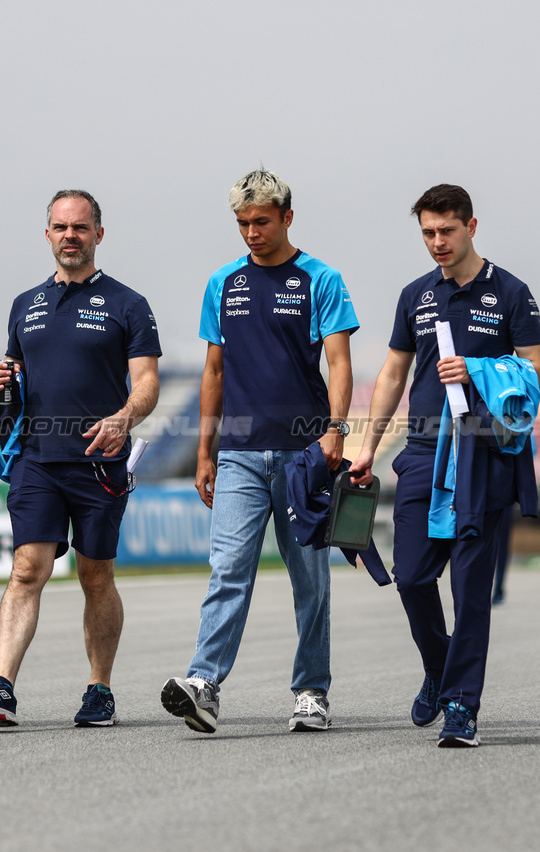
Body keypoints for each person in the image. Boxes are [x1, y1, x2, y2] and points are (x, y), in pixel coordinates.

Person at [348, 184, 540, 747]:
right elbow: (391, 375)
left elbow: (536, 373)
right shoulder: (415, 295)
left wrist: (479, 370)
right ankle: (438, 669)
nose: (437, 242)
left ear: (471, 226)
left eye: (446, 231)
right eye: (428, 233)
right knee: (410, 576)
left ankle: (462, 705)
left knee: (470, 589)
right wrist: (367, 448)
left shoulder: (511, 292)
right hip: (420, 453)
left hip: (482, 456)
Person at [160, 169, 357, 734]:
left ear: (287, 218)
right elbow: (213, 371)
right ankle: (204, 683)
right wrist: (204, 453)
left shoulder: (321, 278)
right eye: (243, 223)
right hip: (240, 454)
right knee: (228, 570)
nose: (251, 232)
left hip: (303, 454)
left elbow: (340, 363)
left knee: (310, 580)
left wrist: (336, 431)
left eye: (262, 222)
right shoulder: (222, 282)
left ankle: (311, 692)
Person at [0, 190, 161, 728]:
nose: (70, 235)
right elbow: (17, 375)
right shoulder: (24, 303)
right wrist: (1, 378)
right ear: (47, 234)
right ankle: (2, 685)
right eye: (60, 227)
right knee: (27, 568)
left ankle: (100, 690)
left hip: (99, 460)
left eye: (80, 227)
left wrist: (124, 418)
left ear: (98, 233)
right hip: (37, 459)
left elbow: (147, 385)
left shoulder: (128, 303)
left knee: (96, 576)